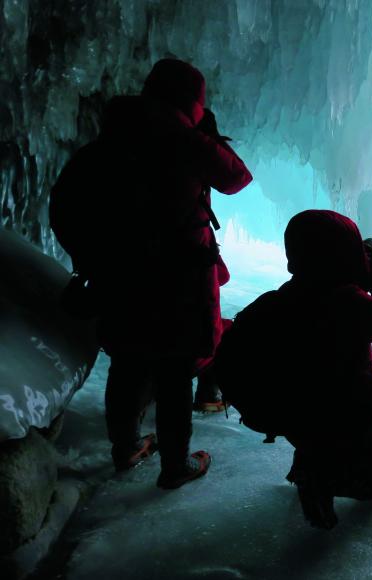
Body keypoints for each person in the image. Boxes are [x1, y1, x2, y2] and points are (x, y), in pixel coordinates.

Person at [68, 59, 252, 488]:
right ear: (192, 102)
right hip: (179, 279)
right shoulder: (184, 140)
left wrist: (91, 258)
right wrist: (203, 130)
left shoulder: (113, 138)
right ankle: (175, 465)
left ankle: (126, 446)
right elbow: (236, 176)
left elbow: (68, 199)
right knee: (174, 371)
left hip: (121, 273)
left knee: (128, 360)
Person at [219, 210, 372, 528]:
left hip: (299, 417)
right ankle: (329, 474)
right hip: (346, 413)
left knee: (320, 401)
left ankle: (311, 465)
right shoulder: (348, 303)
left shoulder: (279, 300)